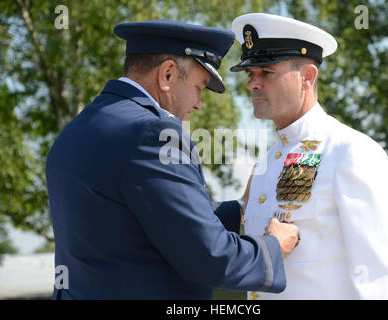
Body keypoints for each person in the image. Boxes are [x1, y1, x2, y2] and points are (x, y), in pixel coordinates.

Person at [46, 20, 299, 299]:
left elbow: (138, 217)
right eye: (199, 87)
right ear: (167, 75)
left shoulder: (78, 129)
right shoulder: (153, 133)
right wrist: (274, 246)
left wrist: (239, 209)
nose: (199, 103)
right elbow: (211, 258)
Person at [230, 13, 388, 299]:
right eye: (250, 74)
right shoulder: (267, 162)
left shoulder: (351, 151)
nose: (252, 84)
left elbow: (384, 279)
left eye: (267, 73)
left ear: (307, 77)